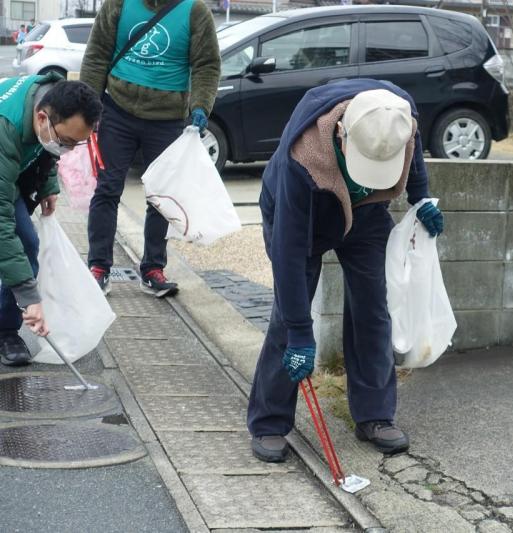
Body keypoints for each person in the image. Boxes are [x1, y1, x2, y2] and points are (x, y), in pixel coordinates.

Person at [248, 79, 445, 463]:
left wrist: (421, 197)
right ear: (342, 134)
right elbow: (288, 254)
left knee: (374, 309)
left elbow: (414, 153)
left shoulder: (398, 117)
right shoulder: (303, 155)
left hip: (367, 211)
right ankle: (269, 422)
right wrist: (302, 333)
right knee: (288, 320)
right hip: (305, 213)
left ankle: (375, 414)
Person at [80, 0, 220, 297]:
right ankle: (98, 267)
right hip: (116, 110)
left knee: (161, 197)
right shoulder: (118, 5)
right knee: (107, 189)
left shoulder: (195, 11)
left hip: (167, 119)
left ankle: (153, 268)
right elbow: (96, 56)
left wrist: (200, 106)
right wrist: (88, 107)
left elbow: (206, 65)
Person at [0, 76, 102, 366]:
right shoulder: (5, 127)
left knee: (27, 243)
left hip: (7, 175)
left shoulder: (49, 94)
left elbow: (48, 149)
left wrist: (47, 185)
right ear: (42, 118)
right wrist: (29, 298)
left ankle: (5, 330)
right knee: (10, 242)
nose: (67, 150)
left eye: (76, 144)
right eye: (66, 142)